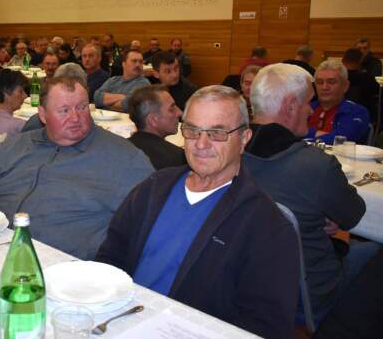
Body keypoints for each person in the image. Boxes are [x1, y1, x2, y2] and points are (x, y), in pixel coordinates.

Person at [96, 85, 299, 339]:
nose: (201, 144)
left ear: (244, 138)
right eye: (192, 130)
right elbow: (111, 255)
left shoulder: (267, 226)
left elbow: (265, 326)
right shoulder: (155, 187)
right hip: (121, 319)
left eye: (217, 133)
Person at [0, 76, 154, 260]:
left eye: (82, 107)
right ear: (43, 115)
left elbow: (152, 231)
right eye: (64, 110)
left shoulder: (124, 159)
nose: (76, 118)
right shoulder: (16, 145)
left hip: (64, 268)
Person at [244, 63, 371, 323]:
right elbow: (353, 216)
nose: (311, 110)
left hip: (246, 284)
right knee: (373, 251)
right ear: (291, 106)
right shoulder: (317, 165)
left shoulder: (225, 155)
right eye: (307, 102)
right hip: (305, 296)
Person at [307, 59, 370, 144]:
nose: (324, 87)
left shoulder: (357, 112)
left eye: (331, 82)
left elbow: (341, 139)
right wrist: (316, 134)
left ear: (345, 86)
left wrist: (305, 135)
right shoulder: (307, 108)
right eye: (320, 82)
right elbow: (291, 134)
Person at [127, 85, 186, 169]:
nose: (180, 113)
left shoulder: (121, 147)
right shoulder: (177, 158)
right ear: (153, 120)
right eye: (172, 109)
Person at [342, 48, 379, 121]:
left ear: (343, 61)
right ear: (360, 61)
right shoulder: (367, 78)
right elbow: (377, 93)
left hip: (341, 113)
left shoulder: (338, 77)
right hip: (364, 116)